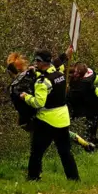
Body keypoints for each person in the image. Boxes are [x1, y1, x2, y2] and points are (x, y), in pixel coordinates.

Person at [6, 51, 96, 152]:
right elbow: (51, 64)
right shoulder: (32, 72)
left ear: (11, 72)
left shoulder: (15, 86)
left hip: (36, 114)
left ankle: (36, 162)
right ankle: (83, 143)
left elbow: (21, 105)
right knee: (61, 133)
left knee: (44, 139)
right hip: (46, 109)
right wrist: (65, 55)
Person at [20, 49, 80, 181]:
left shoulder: (42, 82)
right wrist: (64, 55)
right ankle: (74, 179)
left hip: (46, 122)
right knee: (65, 152)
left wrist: (26, 97)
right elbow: (54, 65)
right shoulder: (59, 73)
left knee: (37, 152)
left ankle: (33, 178)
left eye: (37, 61)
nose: (35, 63)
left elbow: (38, 103)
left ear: (42, 62)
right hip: (63, 120)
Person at [67, 62, 98, 155]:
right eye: (75, 71)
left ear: (81, 76)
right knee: (86, 134)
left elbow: (70, 96)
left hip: (92, 111)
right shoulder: (88, 73)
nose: (75, 74)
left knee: (90, 136)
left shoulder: (84, 85)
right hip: (85, 110)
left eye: (77, 73)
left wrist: (67, 89)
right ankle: (94, 152)